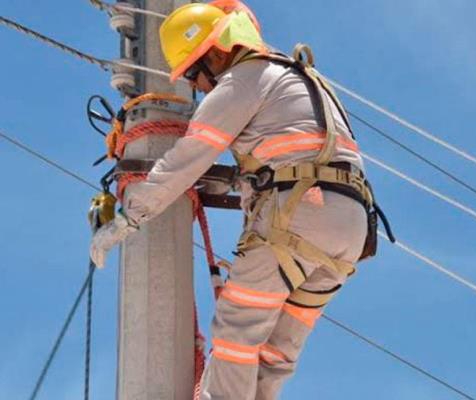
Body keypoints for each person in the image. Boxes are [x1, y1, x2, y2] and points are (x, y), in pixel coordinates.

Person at [91, 2, 376, 399]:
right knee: (276, 352)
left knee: (237, 333)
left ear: (217, 50)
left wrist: (128, 217)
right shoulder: (297, 78)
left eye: (193, 72)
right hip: (349, 229)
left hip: (297, 214)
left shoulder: (242, 80)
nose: (197, 86)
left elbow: (188, 157)